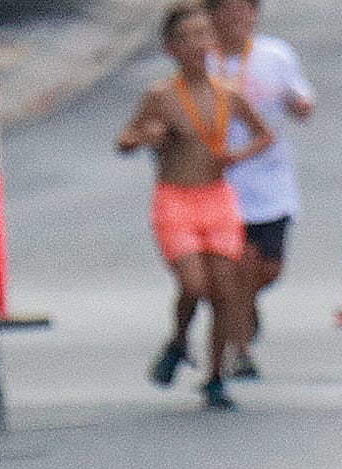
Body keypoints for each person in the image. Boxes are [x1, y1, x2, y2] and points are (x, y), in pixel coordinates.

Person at [117, 2, 273, 411]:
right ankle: (179, 340)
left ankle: (216, 376)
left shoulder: (227, 94)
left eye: (204, 35)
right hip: (175, 199)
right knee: (194, 285)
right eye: (187, 38)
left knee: (223, 289)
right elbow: (126, 139)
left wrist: (237, 157)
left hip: (217, 197)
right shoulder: (161, 96)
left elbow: (263, 135)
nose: (197, 45)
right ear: (170, 48)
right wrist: (146, 136)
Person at [205, 0, 314, 381]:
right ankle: (239, 348)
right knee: (237, 263)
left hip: (268, 180)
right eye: (228, 13)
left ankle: (245, 305)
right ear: (212, 17)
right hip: (218, 182)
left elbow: (300, 100)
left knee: (268, 267)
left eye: (246, 12)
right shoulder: (201, 59)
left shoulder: (275, 55)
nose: (238, 21)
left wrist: (299, 105)